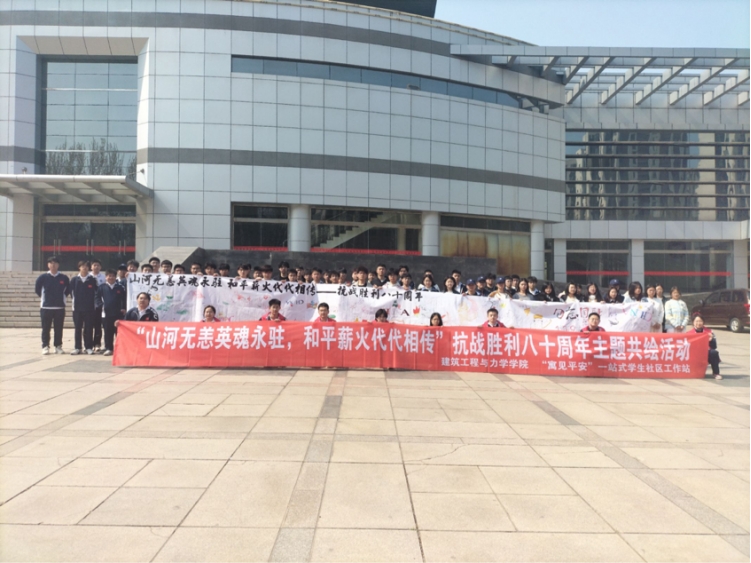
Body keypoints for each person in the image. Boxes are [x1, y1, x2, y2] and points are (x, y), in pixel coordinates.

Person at [35, 256, 71, 355]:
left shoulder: (64, 278)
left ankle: (58, 346)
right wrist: (45, 298)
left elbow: (68, 290)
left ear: (58, 265)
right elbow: (37, 289)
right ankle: (45, 346)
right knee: (45, 328)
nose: (53, 265)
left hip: (59, 307)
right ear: (48, 265)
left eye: (55, 263)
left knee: (58, 328)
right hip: (46, 307)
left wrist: (61, 298)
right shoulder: (42, 277)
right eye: (51, 263)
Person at [70, 260, 98, 355]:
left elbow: (96, 292)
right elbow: (71, 292)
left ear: (89, 268)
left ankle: (88, 347)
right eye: (82, 266)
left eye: (86, 266)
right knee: (78, 328)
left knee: (89, 328)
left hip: (90, 308)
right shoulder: (74, 280)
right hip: (77, 308)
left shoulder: (92, 279)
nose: (84, 268)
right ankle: (77, 347)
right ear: (79, 267)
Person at [96, 269, 127, 356]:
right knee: (108, 332)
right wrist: (101, 306)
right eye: (109, 276)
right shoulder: (101, 287)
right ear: (106, 277)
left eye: (113, 276)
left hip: (118, 313)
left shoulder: (120, 287)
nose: (111, 277)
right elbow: (97, 298)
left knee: (119, 332)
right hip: (106, 313)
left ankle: (120, 348)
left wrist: (123, 308)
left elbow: (124, 299)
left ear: (115, 277)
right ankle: (109, 348)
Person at [687, 314, 722, 380]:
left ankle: (716, 373)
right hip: (695, 354)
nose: (698, 323)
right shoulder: (689, 333)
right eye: (696, 321)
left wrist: (711, 340)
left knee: (714, 353)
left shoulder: (709, 332)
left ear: (703, 322)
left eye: (700, 321)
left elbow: (714, 346)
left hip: (706, 353)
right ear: (693, 322)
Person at [90, 258, 106, 352]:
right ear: (91, 267)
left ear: (100, 267)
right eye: (94, 265)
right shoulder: (87, 276)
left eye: (98, 265)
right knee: (88, 326)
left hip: (99, 305)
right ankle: (88, 344)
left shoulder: (104, 277)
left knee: (98, 326)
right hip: (88, 305)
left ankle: (97, 344)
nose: (96, 267)